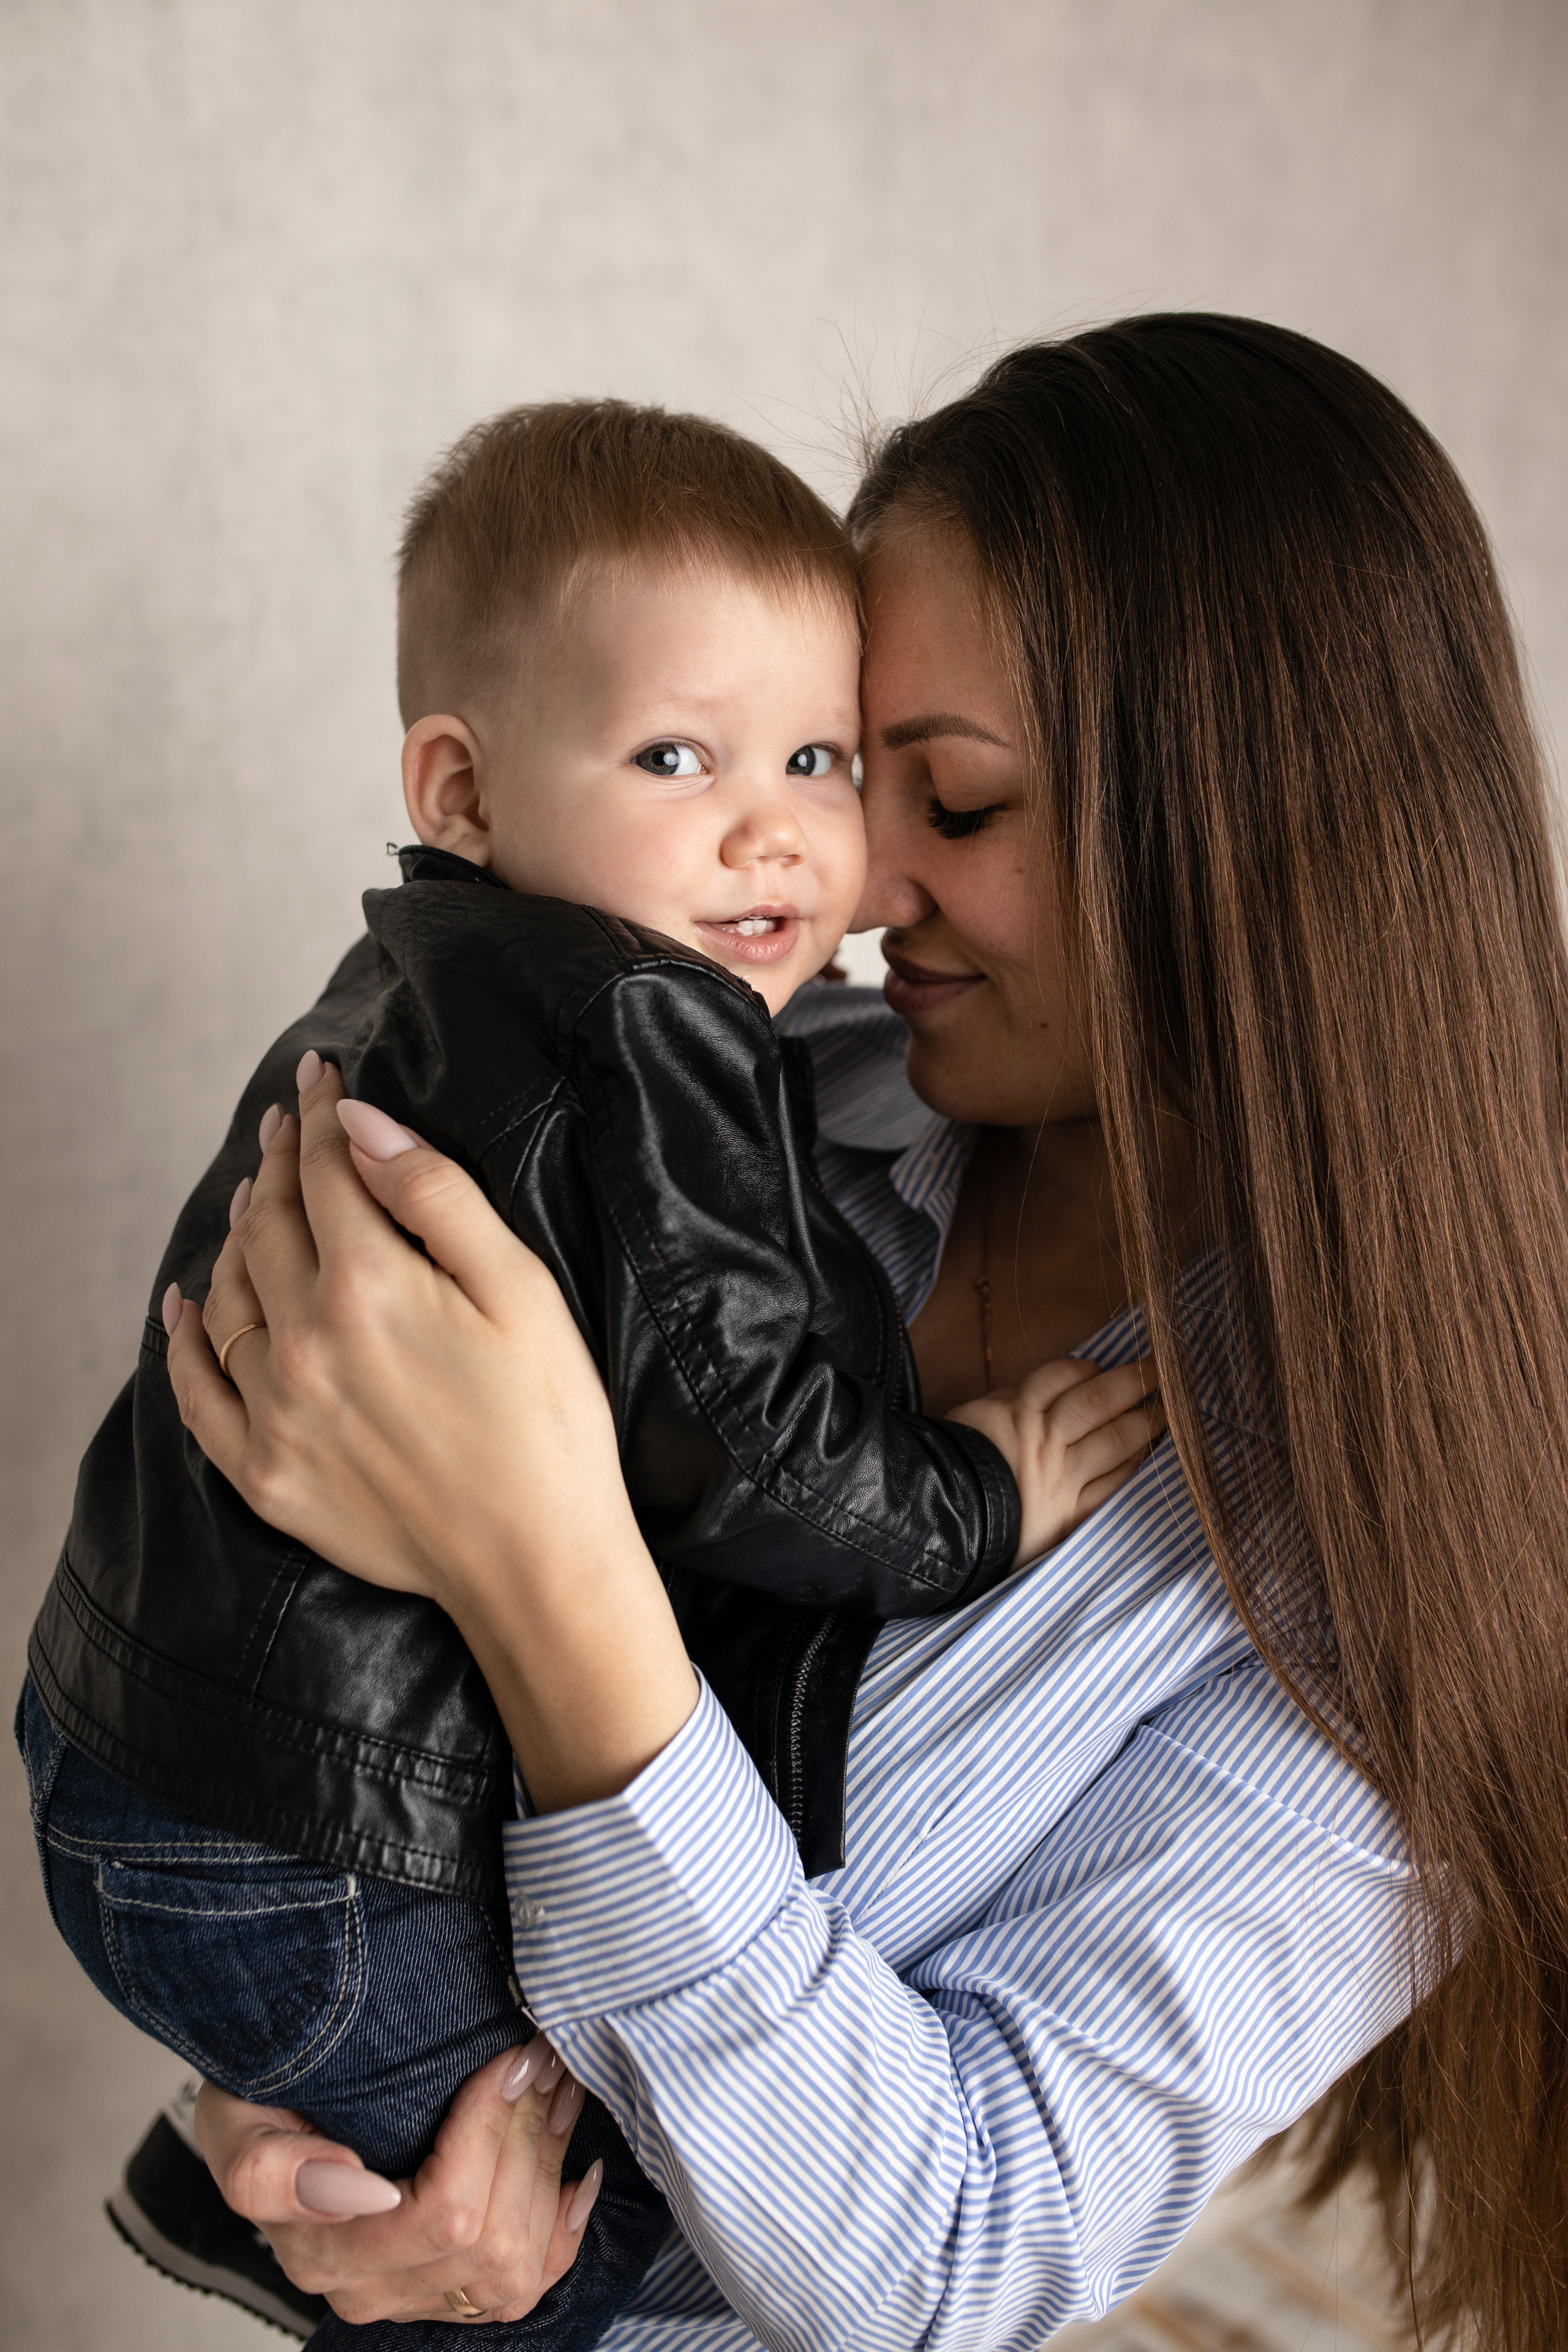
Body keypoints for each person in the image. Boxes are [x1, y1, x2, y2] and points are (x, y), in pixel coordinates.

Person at [105, 312, 1568, 2351]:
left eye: (942, 801)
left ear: (1252, 857)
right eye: (824, 759)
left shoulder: (1413, 1537)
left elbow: (944, 2252)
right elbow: (308, 1689)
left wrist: (547, 1570)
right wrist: (286, 2093)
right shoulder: (736, 1101)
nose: (849, 872)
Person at [19, 399, 1159, 2348]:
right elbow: (758, 1450)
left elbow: (950, 2262)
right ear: (461, 787)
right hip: (304, 1860)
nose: (818, 852)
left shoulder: (411, 982)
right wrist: (980, 1493)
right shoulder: (673, 1041)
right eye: (678, 757)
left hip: (112, 1747)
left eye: (837, 767)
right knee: (634, 2223)